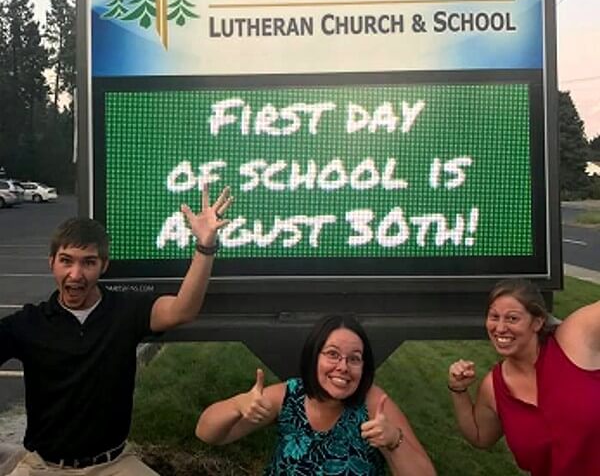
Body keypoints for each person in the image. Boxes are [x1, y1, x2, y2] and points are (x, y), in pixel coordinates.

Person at [0, 183, 232, 476]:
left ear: (104, 265)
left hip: (113, 465)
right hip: (43, 466)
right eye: (66, 261)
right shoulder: (28, 323)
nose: (76, 274)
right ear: (52, 264)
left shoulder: (125, 311)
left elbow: (182, 310)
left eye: (88, 263)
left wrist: (205, 246)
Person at [196, 314, 436, 476]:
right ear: (314, 357)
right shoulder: (289, 396)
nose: (342, 366)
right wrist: (237, 405)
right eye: (332, 354)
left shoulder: (373, 403)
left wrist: (394, 440)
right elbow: (207, 433)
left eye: (354, 359)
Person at [447, 278, 600, 475]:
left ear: (537, 322)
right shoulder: (495, 387)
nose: (500, 328)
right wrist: (457, 390)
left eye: (512, 318)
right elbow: (480, 436)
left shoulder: (572, 340)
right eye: (494, 317)